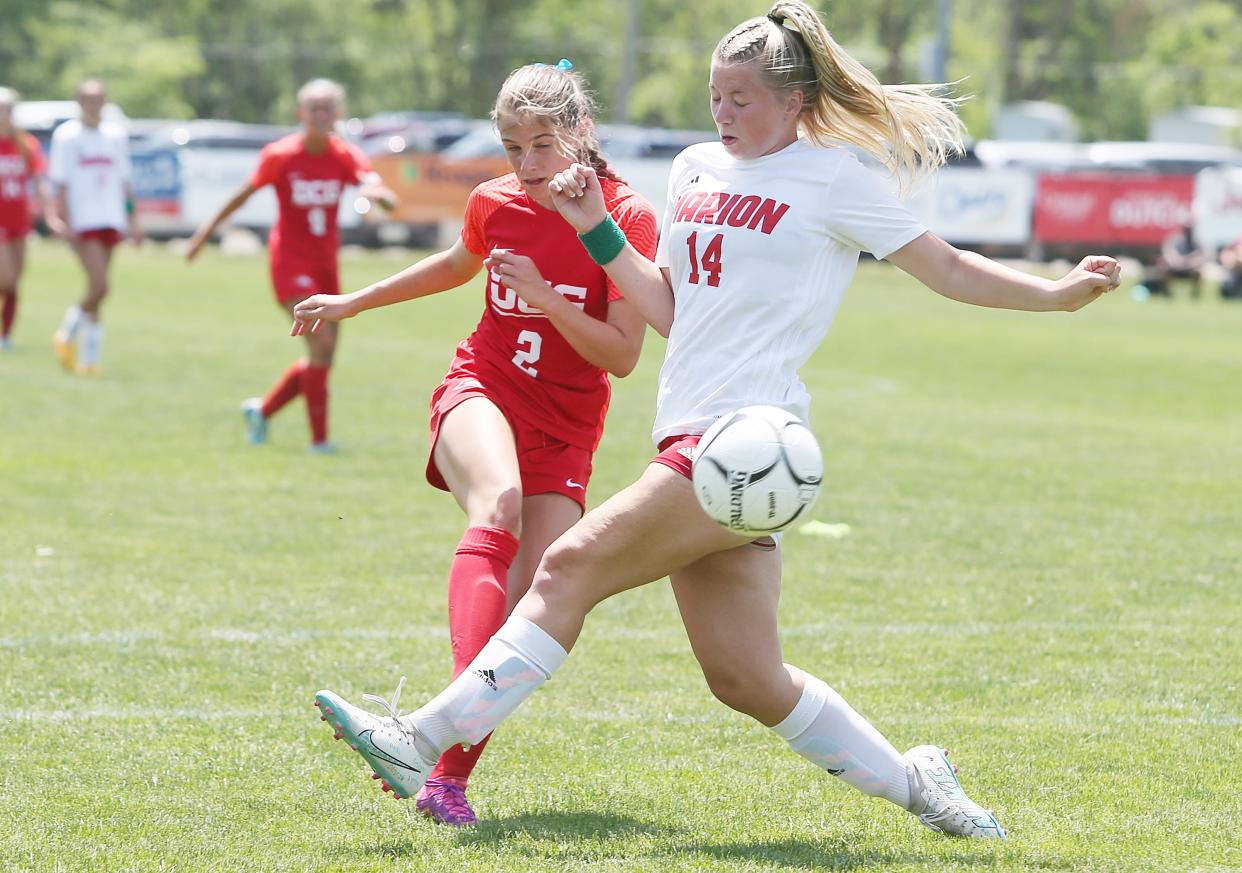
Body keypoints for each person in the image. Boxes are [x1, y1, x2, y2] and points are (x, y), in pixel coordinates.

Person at [313, 0, 1120, 840]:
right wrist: (592, 228)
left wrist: (1056, 296)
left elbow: (948, 269)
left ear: (794, 101)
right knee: (743, 675)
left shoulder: (834, 178)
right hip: (697, 443)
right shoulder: (695, 167)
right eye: (715, 96)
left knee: (567, 566)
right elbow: (671, 310)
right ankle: (921, 781)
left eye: (742, 99)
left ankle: (423, 738)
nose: (724, 115)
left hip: (748, 439)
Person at [293, 61, 656, 824]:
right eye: (513, 146)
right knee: (499, 502)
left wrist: (548, 298)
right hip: (482, 388)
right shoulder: (495, 201)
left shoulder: (625, 217)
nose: (527, 165)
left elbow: (621, 355)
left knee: (538, 606)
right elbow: (456, 265)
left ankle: (442, 776)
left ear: (581, 133)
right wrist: (355, 300)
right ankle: (434, 729)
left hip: (565, 425)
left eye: (543, 144)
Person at [186, 78, 395, 451]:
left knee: (325, 355)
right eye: (313, 108)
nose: (319, 115)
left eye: (327, 108)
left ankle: (262, 412)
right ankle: (320, 442)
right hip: (289, 262)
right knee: (321, 346)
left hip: (326, 265)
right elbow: (242, 196)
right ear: (301, 114)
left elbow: (372, 183)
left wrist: (380, 196)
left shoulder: (344, 155)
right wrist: (204, 234)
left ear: (337, 115)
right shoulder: (281, 155)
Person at [47, 79, 140, 375]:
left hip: (111, 217)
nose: (94, 104)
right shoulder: (67, 136)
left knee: (96, 290)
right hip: (83, 219)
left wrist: (133, 219)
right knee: (100, 285)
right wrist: (59, 218)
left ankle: (89, 359)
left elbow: (125, 181)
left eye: (99, 98)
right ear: (78, 101)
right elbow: (59, 183)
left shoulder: (115, 135)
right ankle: (65, 333)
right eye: (88, 99)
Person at [0, 87, 57, 350]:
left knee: (15, 281)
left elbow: (39, 182)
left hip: (19, 221)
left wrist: (49, 214)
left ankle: (6, 335)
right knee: (6, 277)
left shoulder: (26, 144)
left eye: (9, 110)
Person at [1144, 222, 1206, 300]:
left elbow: (1201, 257)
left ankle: (1194, 294)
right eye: (1186, 228)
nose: (1188, 230)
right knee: (1164, 270)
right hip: (1175, 268)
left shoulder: (1196, 242)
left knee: (1198, 272)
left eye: (1190, 229)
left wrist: (1190, 262)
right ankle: (1166, 292)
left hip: (1190, 269)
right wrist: (1178, 260)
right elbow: (1168, 253)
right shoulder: (1174, 240)